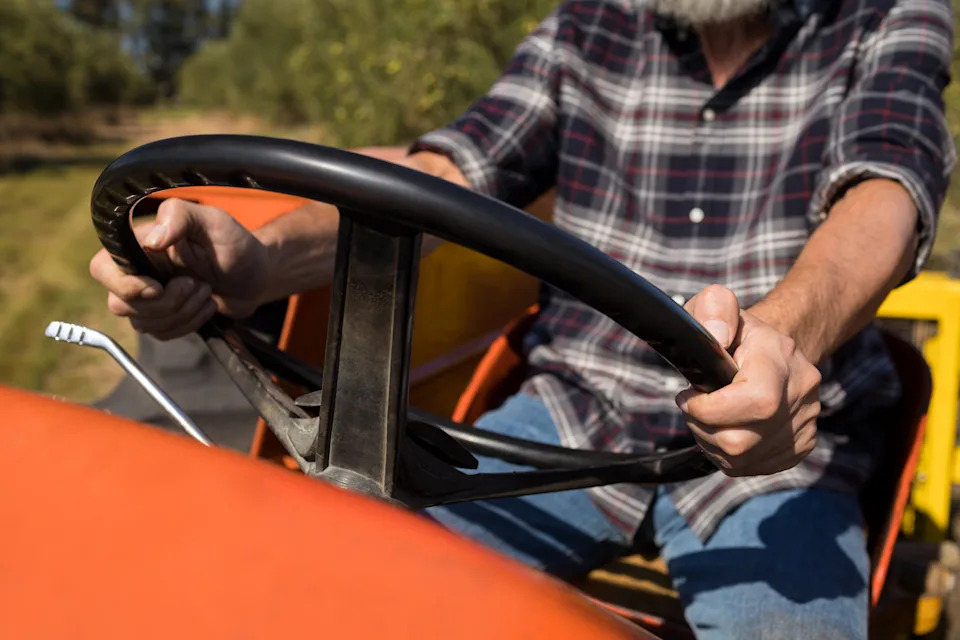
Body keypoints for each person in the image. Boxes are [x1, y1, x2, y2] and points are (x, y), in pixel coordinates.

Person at [89, 0, 955, 637]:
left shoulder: (885, 16)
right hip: (571, 424)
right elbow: (450, 175)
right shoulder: (588, 26)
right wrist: (262, 258)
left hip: (778, 450)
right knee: (328, 591)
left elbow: (885, 188)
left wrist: (786, 341)